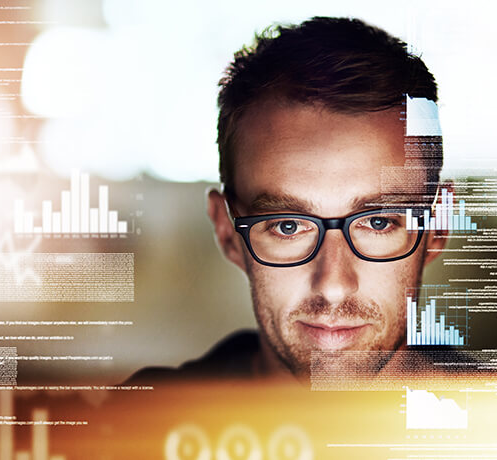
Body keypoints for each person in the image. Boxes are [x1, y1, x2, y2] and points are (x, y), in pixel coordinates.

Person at [128, 16, 453, 386]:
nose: (333, 285)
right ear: (227, 231)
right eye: (288, 226)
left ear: (438, 224)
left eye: (378, 223)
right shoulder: (122, 427)